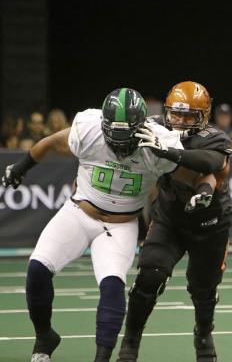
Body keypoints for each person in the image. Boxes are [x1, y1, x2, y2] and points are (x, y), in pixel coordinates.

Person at [1, 88, 184, 362]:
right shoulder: (89, 129)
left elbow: (190, 175)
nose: (120, 145)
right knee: (37, 270)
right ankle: (44, 337)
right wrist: (20, 168)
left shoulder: (159, 144)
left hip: (121, 226)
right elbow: (50, 142)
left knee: (112, 285)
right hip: (78, 212)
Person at [117, 81, 232, 362]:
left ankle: (203, 334)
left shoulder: (215, 139)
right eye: (176, 114)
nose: (180, 121)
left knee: (203, 289)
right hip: (170, 217)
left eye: (189, 115)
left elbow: (209, 166)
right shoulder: (154, 126)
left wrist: (166, 151)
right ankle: (131, 339)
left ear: (203, 116)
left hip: (210, 222)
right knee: (149, 275)